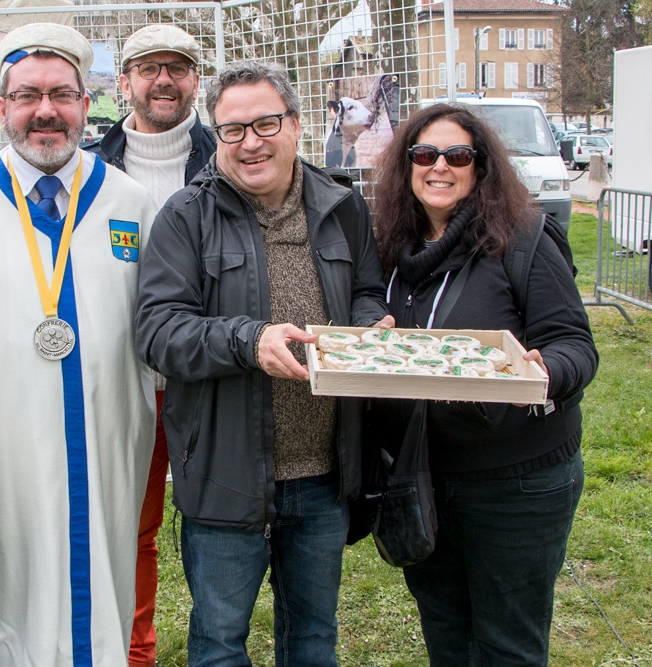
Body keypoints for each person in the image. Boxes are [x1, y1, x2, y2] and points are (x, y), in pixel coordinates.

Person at [0, 23, 157, 667]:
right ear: (2, 109)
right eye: (26, 96)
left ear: (86, 104)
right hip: (3, 449)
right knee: (14, 586)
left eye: (62, 94)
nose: (45, 111)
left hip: (110, 440)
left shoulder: (129, 201)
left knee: (109, 578)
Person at [134, 60, 391, 667]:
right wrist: (250, 341)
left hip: (324, 475)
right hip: (226, 475)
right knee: (220, 644)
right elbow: (158, 331)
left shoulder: (342, 206)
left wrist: (364, 325)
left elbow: (368, 290)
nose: (250, 142)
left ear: (297, 126)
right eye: (232, 130)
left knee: (311, 639)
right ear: (216, 136)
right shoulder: (185, 215)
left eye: (265, 123)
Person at [370, 103, 598, 665]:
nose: (439, 166)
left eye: (458, 155)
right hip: (424, 478)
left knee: (507, 645)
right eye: (424, 154)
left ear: (480, 166)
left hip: (515, 483)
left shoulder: (521, 239)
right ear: (407, 165)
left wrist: (544, 373)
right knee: (447, 634)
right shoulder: (391, 249)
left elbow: (575, 344)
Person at [85, 23, 215, 667]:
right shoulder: (86, 166)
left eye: (178, 67)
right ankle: (134, 652)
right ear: (124, 80)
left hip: (208, 376)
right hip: (123, 379)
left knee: (216, 525)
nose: (163, 79)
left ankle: (217, 646)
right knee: (130, 527)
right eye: (148, 67)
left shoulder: (227, 159)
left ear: (196, 80)